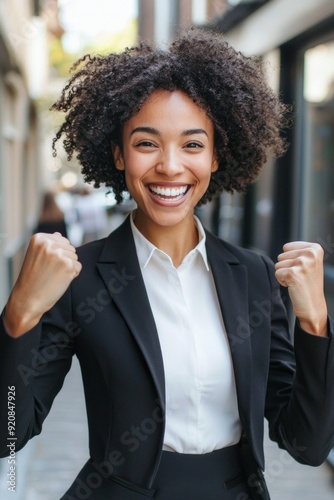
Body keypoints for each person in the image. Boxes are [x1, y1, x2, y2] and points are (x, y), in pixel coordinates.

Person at [0, 29, 333, 500]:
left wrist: (314, 322)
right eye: (147, 143)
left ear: (217, 156)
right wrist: (19, 317)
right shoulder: (81, 277)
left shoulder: (254, 276)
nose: (171, 167)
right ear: (118, 154)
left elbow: (307, 444)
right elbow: (8, 433)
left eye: (193, 145)